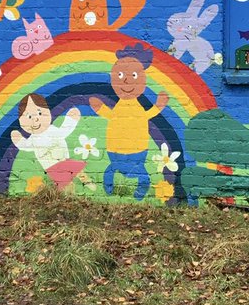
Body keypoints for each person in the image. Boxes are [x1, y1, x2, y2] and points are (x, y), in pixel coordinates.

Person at [90, 44, 168, 200]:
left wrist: (159, 106)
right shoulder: (120, 108)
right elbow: (112, 116)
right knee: (113, 169)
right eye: (120, 75)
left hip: (137, 150)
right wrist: (100, 108)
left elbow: (146, 115)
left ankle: (139, 190)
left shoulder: (137, 109)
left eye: (133, 75)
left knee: (138, 172)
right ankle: (109, 189)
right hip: (115, 149)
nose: (126, 80)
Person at [10, 93, 85, 190]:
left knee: (78, 173)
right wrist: (19, 140)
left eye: (40, 113)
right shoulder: (34, 138)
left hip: (63, 160)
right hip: (51, 167)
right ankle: (74, 192)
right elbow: (26, 145)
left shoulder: (52, 130)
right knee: (66, 183)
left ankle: (89, 184)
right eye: (29, 117)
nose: (35, 119)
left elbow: (63, 131)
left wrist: (70, 120)